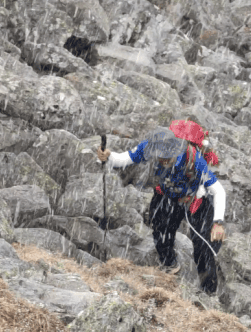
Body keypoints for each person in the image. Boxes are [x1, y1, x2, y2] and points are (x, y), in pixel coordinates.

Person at [97, 120, 227, 293]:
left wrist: (218, 223)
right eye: (160, 157)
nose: (163, 160)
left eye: (167, 158)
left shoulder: (194, 159)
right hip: (167, 194)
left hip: (195, 199)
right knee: (160, 229)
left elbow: (219, 191)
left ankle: (208, 292)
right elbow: (125, 158)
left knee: (203, 247)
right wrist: (109, 156)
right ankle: (169, 264)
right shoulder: (151, 146)